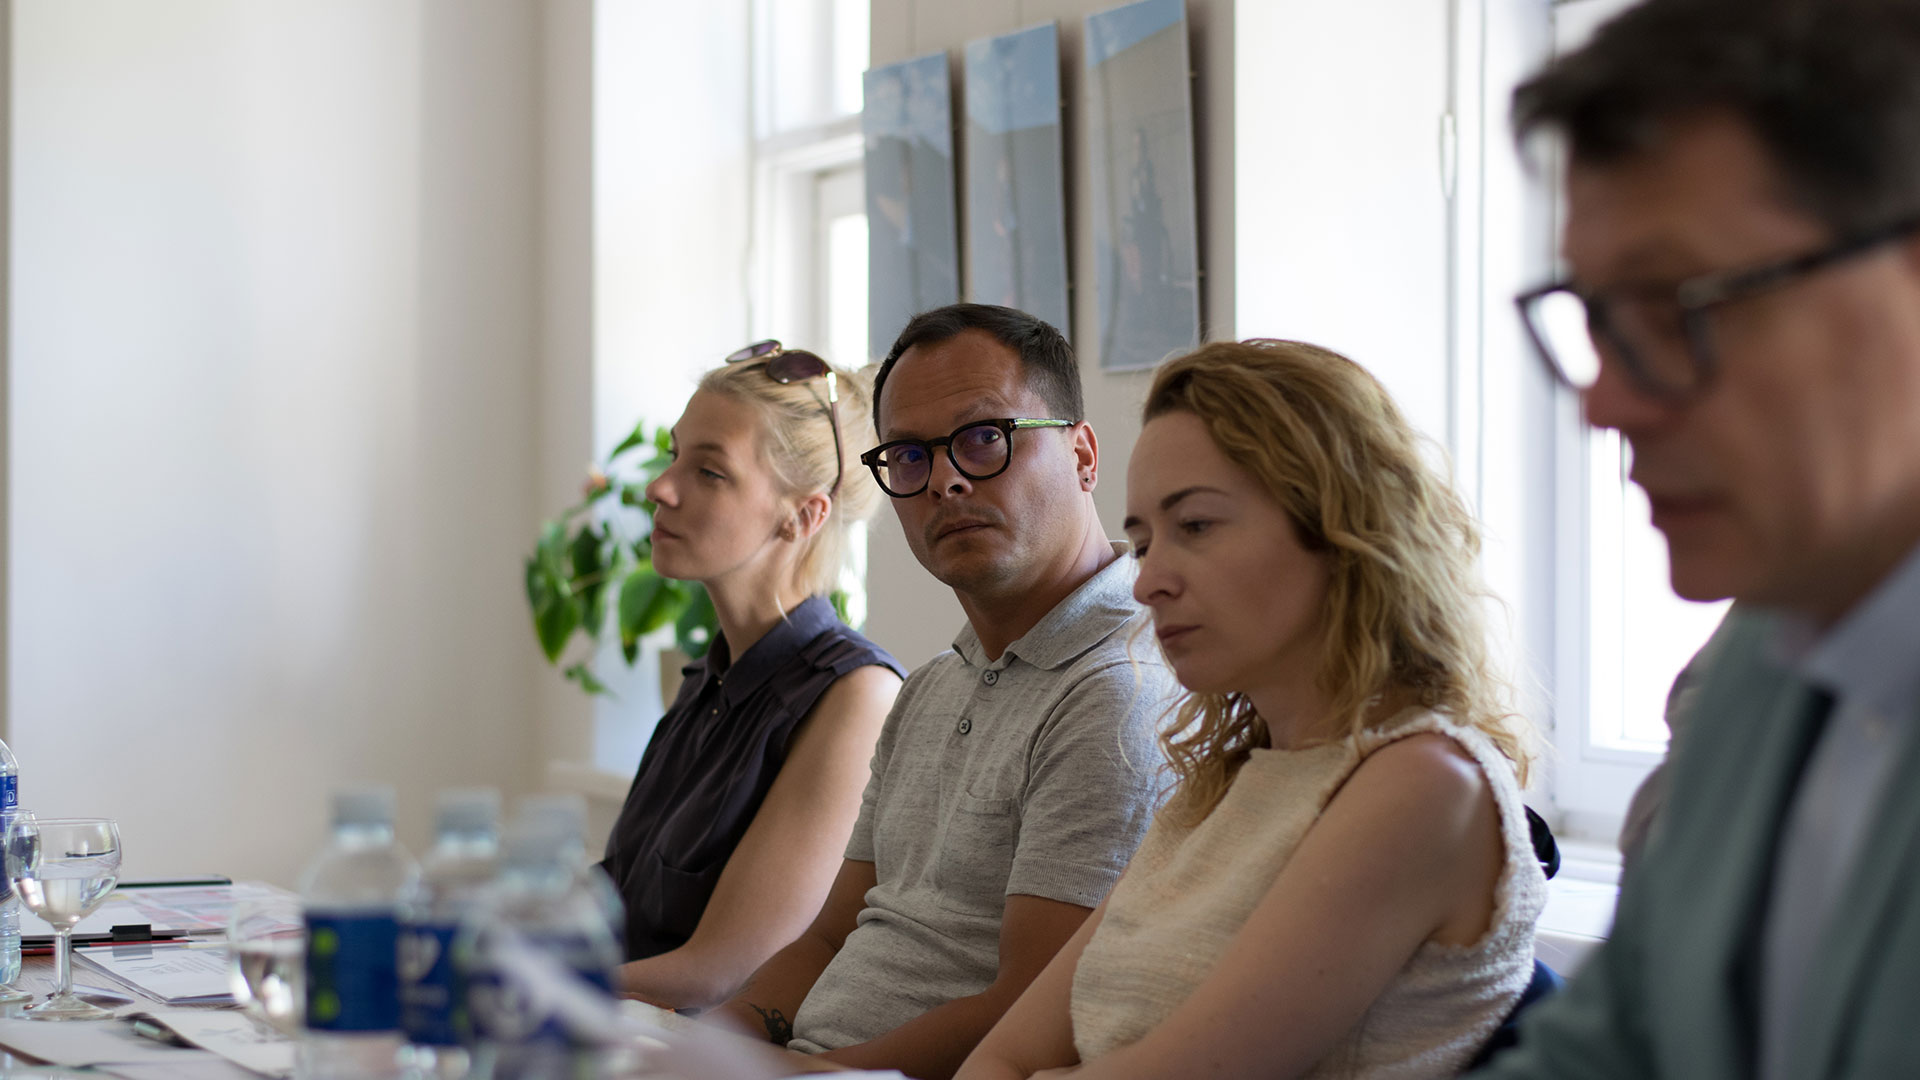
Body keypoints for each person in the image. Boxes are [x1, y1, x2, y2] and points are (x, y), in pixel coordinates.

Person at [1486, 1, 1920, 1075]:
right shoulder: (1762, 662)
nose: (1603, 404)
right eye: (1597, 318)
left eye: (1679, 308)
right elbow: (1607, 1050)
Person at [953, 339, 1544, 1080]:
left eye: (1196, 526)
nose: (1147, 582)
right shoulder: (1221, 787)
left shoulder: (1424, 785)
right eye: (1143, 543)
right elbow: (1001, 1056)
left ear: (1340, 525)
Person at [709, 304, 1180, 1079]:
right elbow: (826, 939)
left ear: (1083, 455)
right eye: (908, 456)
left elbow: (1030, 1012)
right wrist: (707, 1046)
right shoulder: (932, 684)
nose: (946, 480)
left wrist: (790, 1075)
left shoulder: (1117, 691)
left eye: (985, 437)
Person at [597, 342, 905, 1009]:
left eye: (709, 472)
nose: (659, 488)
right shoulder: (708, 681)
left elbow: (723, 978)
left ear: (804, 515)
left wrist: (507, 981)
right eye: (675, 455)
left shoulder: (856, 699)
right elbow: (617, 907)